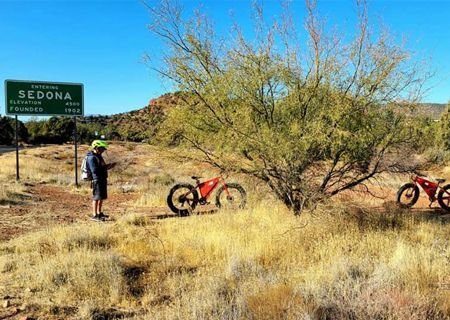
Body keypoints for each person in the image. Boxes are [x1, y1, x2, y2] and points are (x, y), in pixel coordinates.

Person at [86, 140, 114, 221]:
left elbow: (102, 166)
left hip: (102, 178)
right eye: (102, 149)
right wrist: (104, 168)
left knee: (101, 197)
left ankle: (99, 213)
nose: (103, 151)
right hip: (97, 179)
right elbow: (94, 170)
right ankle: (95, 215)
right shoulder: (91, 157)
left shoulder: (98, 156)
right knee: (96, 197)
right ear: (96, 147)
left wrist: (108, 166)